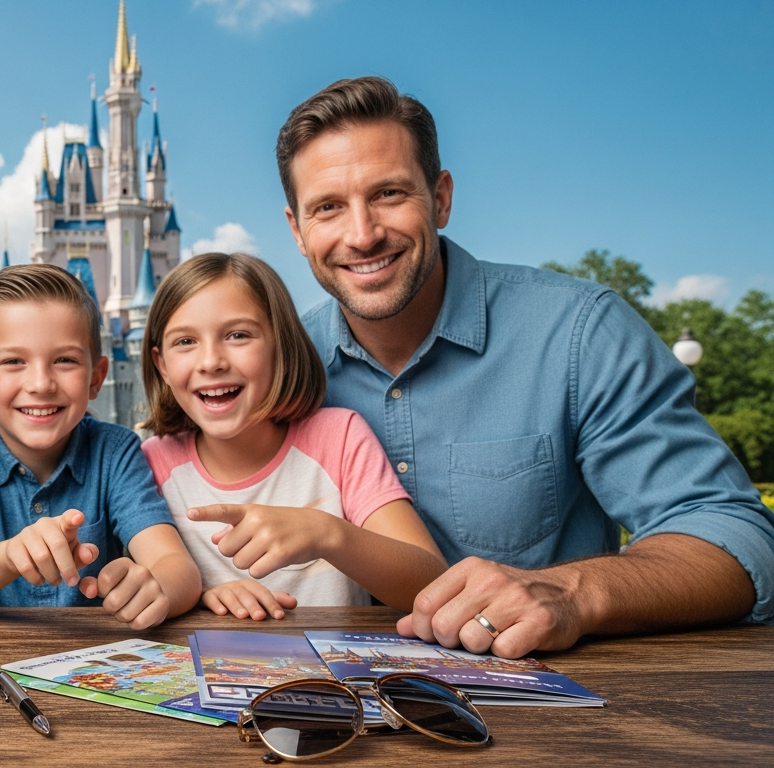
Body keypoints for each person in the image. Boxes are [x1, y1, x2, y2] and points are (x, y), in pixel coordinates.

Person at [276, 76, 774, 657]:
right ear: (298, 231)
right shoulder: (274, 368)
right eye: (329, 207)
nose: (361, 234)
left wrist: (572, 593)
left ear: (440, 198)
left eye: (389, 194)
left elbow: (737, 539)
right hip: (333, 709)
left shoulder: (580, 332)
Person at [138, 252, 447, 621]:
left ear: (280, 346)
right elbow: (149, 586)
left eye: (238, 335)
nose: (211, 361)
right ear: (162, 366)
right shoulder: (151, 463)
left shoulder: (338, 437)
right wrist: (201, 593)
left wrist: (327, 534)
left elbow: (432, 584)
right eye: (185, 342)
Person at [0, 264, 202, 629]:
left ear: (96, 378)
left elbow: (177, 567)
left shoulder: (114, 452)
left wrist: (153, 591)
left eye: (65, 360)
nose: (41, 383)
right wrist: (10, 556)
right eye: (14, 362)